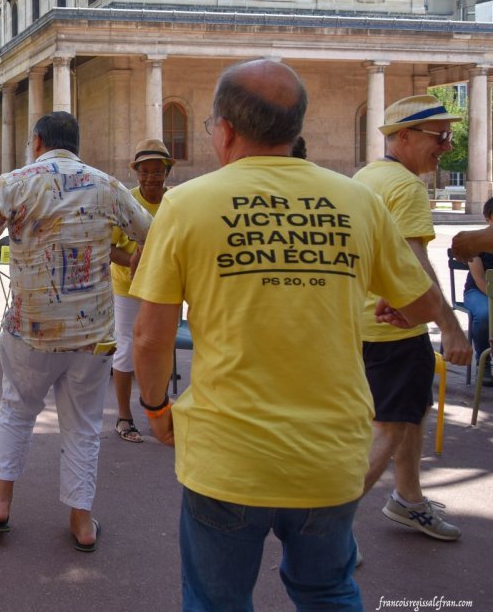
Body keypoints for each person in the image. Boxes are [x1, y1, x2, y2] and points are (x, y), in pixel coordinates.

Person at [130, 59, 464, 611]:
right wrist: (417, 315)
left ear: (227, 130)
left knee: (217, 601)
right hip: (329, 455)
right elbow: (418, 297)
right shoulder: (358, 201)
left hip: (227, 455)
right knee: (328, 592)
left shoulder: (187, 205)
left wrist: (157, 410)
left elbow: (149, 336)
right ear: (294, 128)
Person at [0, 112, 151, 551]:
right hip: (92, 335)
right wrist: (135, 262)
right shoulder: (108, 185)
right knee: (81, 427)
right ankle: (81, 521)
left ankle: (0, 503)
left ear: (37, 141)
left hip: (30, 330)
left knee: (16, 412)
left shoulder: (18, 182)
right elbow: (151, 234)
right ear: (75, 143)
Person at [353, 94, 470, 542]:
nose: (446, 146)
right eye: (439, 136)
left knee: (411, 412)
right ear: (403, 137)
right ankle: (328, 532)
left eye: (449, 136)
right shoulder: (406, 187)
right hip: (393, 328)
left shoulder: (368, 177)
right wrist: (451, 326)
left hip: (363, 324)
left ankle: (409, 498)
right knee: (389, 428)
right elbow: (417, 262)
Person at [107, 139, 170, 443]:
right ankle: (123, 416)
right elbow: (110, 248)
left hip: (165, 288)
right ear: (136, 173)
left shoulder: (175, 202)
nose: (151, 178)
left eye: (157, 172)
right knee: (126, 350)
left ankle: (158, 415)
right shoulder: (125, 201)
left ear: (167, 173)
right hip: (127, 287)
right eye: (144, 172)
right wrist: (136, 262)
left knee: (159, 349)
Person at [463, 198, 493, 387]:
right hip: (478, 291)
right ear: (487, 218)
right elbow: (480, 279)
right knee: (484, 315)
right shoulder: (474, 242)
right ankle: (485, 365)